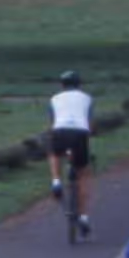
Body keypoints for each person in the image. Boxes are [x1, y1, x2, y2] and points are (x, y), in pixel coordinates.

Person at [47, 72, 96, 238]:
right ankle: (83, 216)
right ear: (79, 84)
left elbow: (53, 121)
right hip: (80, 134)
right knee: (83, 174)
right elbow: (90, 122)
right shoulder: (87, 98)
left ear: (62, 85)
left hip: (60, 131)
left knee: (54, 153)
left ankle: (55, 180)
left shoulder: (54, 98)